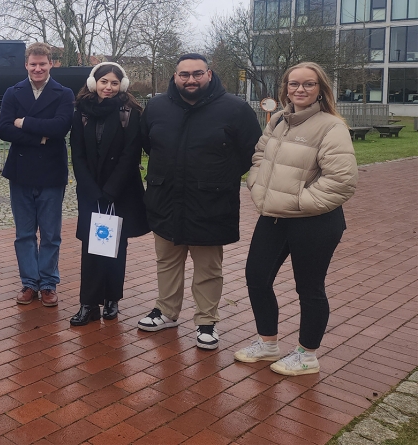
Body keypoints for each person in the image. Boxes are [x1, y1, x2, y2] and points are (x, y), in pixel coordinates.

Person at [234, 62, 357, 375]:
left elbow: (341, 181)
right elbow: (259, 157)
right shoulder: (278, 119)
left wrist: (299, 202)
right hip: (274, 216)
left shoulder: (331, 126)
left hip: (315, 220)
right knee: (257, 277)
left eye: (308, 84)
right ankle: (267, 343)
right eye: (293, 84)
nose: (300, 89)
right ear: (285, 88)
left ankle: (307, 355)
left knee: (309, 288)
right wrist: (257, 186)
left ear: (321, 89)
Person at [138, 53, 261, 349]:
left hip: (211, 202)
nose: (190, 79)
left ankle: (207, 321)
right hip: (165, 198)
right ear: (175, 77)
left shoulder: (235, 109)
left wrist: (220, 175)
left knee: (208, 267)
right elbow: (147, 144)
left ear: (209, 74)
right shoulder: (156, 107)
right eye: (184, 74)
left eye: (197, 73)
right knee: (167, 261)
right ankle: (166, 311)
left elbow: (252, 152)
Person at [69, 62, 149, 326]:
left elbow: (131, 155)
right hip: (90, 191)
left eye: (114, 83)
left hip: (120, 191)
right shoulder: (81, 112)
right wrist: (91, 189)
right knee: (91, 248)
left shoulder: (130, 113)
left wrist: (111, 190)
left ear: (121, 85)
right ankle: (88, 303)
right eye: (104, 82)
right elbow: (77, 154)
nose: (109, 87)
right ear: (94, 83)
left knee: (115, 247)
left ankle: (112, 298)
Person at [0, 42, 75, 307]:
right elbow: (5, 129)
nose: (38, 68)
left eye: (43, 64)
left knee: (51, 234)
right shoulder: (13, 92)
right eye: (33, 64)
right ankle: (29, 282)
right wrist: (40, 137)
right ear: (26, 65)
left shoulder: (64, 93)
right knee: (24, 233)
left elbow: (60, 127)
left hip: (51, 173)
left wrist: (25, 123)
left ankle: (48, 283)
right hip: (20, 172)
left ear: (51, 64)